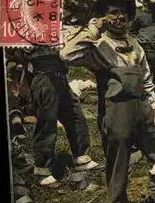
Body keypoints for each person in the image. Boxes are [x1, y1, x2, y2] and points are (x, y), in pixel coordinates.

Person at [60, 0, 155, 203]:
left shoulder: (135, 44)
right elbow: (66, 54)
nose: (119, 17)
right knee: (118, 172)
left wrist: (153, 105)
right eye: (112, 13)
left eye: (122, 12)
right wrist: (94, 28)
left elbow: (146, 78)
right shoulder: (97, 45)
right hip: (116, 110)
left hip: (143, 109)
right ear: (103, 17)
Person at [6, 46, 98, 186]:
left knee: (75, 115)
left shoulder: (55, 25)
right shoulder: (25, 30)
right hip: (43, 75)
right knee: (47, 121)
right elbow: (16, 52)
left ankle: (81, 157)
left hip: (60, 73)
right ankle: (43, 169)